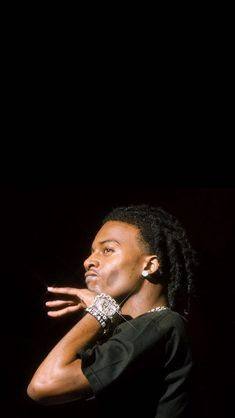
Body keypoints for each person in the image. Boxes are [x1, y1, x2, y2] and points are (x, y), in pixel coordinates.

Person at [27, 204, 197, 418]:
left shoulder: (162, 324)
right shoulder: (138, 331)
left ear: (150, 265)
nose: (88, 261)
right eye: (91, 252)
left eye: (108, 250)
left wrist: (101, 309)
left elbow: (44, 385)